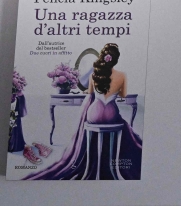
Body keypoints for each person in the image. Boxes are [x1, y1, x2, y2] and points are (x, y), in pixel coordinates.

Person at [26, 43, 143, 180]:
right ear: (115, 59)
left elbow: (90, 92)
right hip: (111, 113)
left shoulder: (94, 75)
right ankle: (111, 158)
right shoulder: (122, 75)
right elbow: (123, 95)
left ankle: (91, 158)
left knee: (99, 118)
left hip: (94, 113)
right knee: (123, 123)